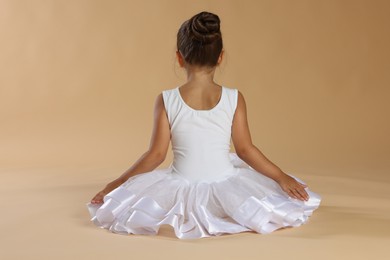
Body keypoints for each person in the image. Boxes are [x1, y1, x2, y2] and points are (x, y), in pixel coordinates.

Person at [86, 11, 321, 239]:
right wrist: (281, 177)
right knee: (267, 204)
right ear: (220, 57)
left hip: (180, 184)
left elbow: (156, 155)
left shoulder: (167, 100)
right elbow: (245, 150)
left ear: (180, 58)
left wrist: (116, 184)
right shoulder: (235, 98)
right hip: (227, 184)